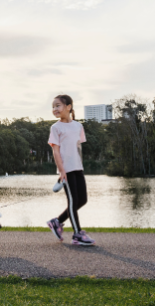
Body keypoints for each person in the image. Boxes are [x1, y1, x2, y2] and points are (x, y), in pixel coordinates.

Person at [46, 94, 95, 246]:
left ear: (68, 107)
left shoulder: (78, 126)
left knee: (83, 200)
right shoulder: (56, 128)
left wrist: (80, 166)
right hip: (66, 170)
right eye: (53, 106)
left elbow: (78, 148)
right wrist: (62, 172)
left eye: (58, 105)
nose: (55, 109)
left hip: (77, 168)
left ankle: (57, 221)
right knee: (73, 201)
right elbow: (55, 151)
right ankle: (77, 234)